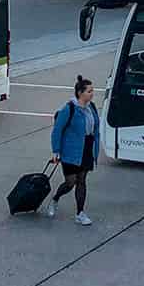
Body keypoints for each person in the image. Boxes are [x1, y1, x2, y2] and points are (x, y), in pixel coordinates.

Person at [45, 74, 101, 226]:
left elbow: (95, 128)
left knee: (82, 181)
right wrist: (56, 151)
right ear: (80, 93)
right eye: (89, 91)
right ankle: (55, 199)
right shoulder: (69, 109)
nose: (92, 94)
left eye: (92, 91)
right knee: (70, 182)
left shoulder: (92, 107)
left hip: (87, 147)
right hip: (71, 150)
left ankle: (80, 213)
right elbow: (57, 130)